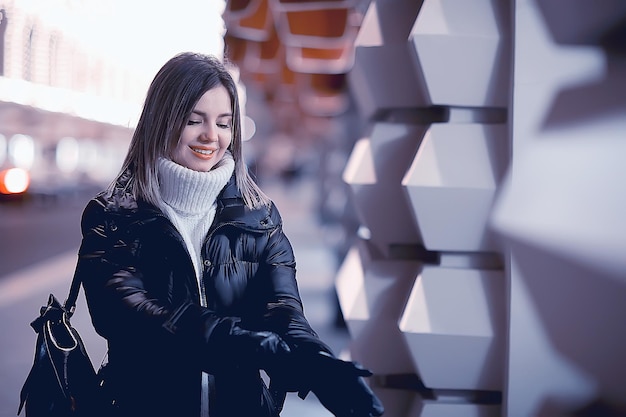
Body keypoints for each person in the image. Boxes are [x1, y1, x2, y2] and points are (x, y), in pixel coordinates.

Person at [74, 52, 384, 417]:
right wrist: (242, 343)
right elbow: (130, 316)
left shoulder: (259, 216)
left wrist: (316, 362)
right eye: (194, 120)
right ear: (161, 121)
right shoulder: (113, 216)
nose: (211, 136)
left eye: (224, 123)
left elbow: (281, 309)